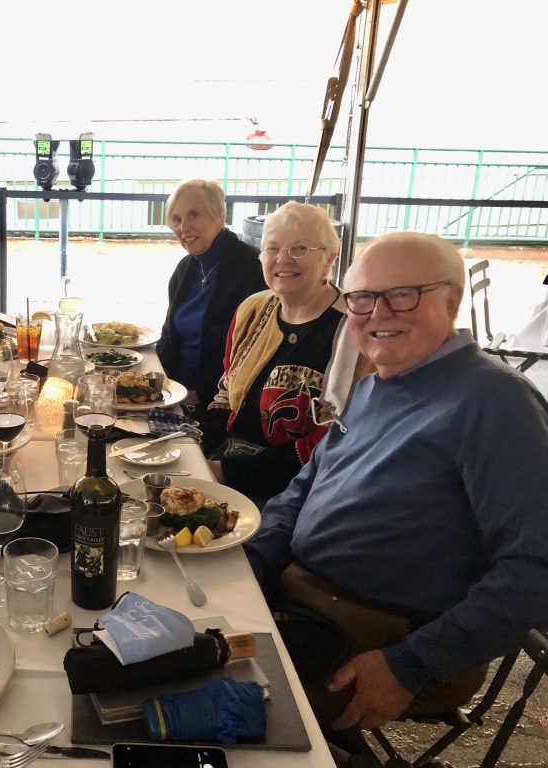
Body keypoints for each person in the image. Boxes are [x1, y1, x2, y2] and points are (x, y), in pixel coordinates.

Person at [245, 231, 548, 739]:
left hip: (381, 633)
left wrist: (411, 663)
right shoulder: (374, 386)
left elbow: (537, 567)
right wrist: (252, 560)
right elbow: (305, 487)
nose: (378, 313)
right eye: (362, 298)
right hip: (302, 595)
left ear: (451, 300)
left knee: (196, 702)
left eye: (403, 294)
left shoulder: (497, 404)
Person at [200, 202, 371, 503]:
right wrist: (203, 452)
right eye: (272, 248)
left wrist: (228, 473)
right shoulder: (252, 310)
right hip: (227, 465)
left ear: (330, 257)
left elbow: (333, 441)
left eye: (300, 248)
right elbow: (226, 391)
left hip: (299, 493)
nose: (283, 259)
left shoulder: (354, 330)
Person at [155, 179, 266, 411]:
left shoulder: (252, 268)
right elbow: (168, 336)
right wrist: (158, 386)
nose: (183, 227)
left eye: (194, 215)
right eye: (176, 219)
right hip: (175, 394)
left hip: (219, 404)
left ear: (219, 216)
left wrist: (203, 393)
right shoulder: (185, 268)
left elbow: (256, 351)